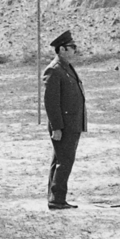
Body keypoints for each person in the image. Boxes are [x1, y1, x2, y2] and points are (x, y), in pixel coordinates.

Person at [43, 30, 86, 210]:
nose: (74, 50)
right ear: (61, 49)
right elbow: (51, 103)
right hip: (64, 125)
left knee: (61, 160)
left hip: (72, 123)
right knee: (64, 161)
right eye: (71, 47)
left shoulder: (66, 67)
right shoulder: (54, 69)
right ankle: (57, 200)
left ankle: (55, 197)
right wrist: (57, 127)